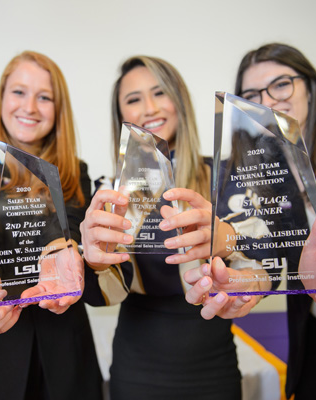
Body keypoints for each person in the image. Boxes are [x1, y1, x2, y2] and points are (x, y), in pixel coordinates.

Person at [186, 42, 316, 399]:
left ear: (310, 86)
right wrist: (250, 280)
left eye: (281, 84)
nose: (267, 100)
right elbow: (269, 253)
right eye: (251, 94)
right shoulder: (258, 172)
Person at [79, 55, 242, 400]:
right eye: (134, 99)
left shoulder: (224, 176)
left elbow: (257, 258)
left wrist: (226, 240)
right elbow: (100, 296)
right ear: (121, 117)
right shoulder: (110, 192)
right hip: (137, 366)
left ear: (179, 101)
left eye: (159, 93)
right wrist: (92, 261)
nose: (149, 107)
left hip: (214, 364)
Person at [0, 50, 103, 400]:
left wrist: (70, 259)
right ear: (2, 96)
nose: (30, 107)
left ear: (58, 108)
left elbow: (74, 241)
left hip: (66, 353)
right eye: (19, 92)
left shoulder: (73, 170)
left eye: (44, 97)